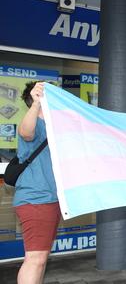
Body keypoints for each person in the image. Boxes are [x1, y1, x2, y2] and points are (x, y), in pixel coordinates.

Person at [13, 81, 60, 284]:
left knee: (40, 259)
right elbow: (25, 132)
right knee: (35, 259)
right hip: (36, 199)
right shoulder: (34, 123)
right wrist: (36, 104)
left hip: (50, 200)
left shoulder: (54, 128)